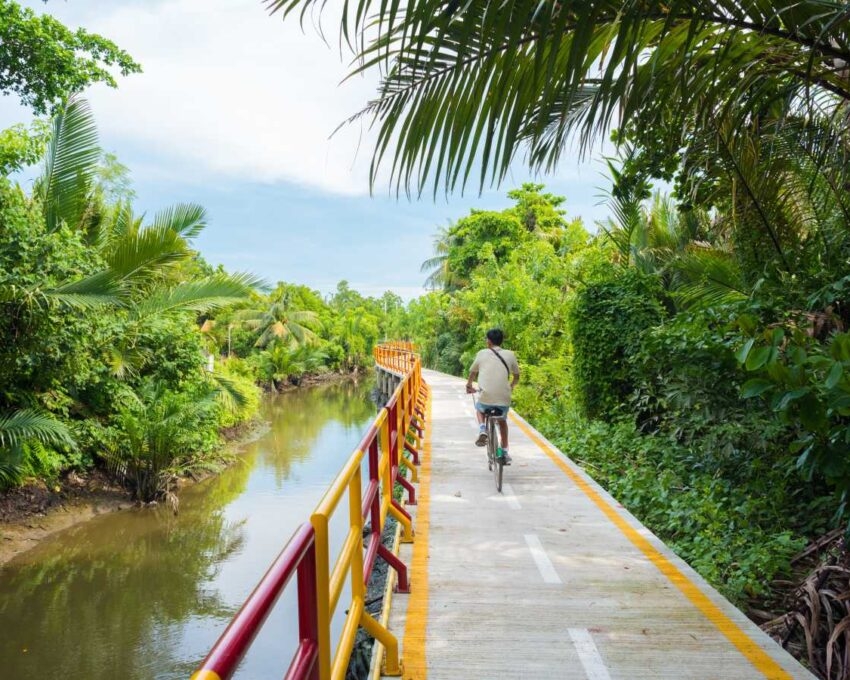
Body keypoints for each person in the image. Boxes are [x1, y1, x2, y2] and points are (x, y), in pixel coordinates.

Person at [465, 328, 520, 464]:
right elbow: (516, 376)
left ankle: (482, 429)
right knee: (502, 422)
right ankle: (505, 452)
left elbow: (472, 372)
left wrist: (469, 385)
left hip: (486, 396)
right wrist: (511, 387)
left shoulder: (482, 353)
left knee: (479, 408)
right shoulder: (510, 354)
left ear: (488, 341)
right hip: (503, 398)